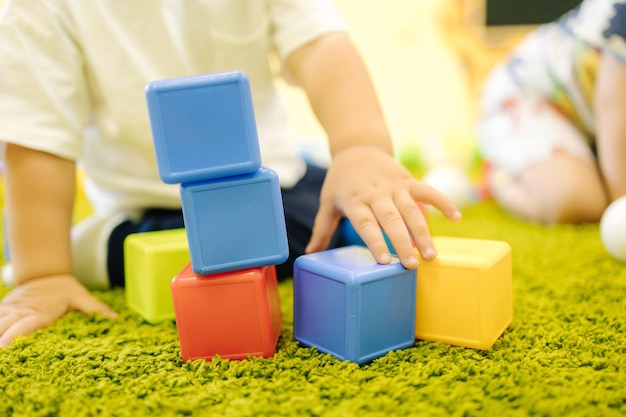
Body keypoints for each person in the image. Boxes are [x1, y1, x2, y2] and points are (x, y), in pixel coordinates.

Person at [0, 1, 461, 347]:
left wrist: (361, 151)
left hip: (276, 179)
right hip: (154, 208)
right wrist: (44, 272)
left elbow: (322, 47)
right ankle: (90, 247)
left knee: (345, 203)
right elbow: (37, 140)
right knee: (279, 234)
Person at [477, 0, 626, 224]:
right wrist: (620, 208)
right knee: (580, 201)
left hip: (589, 123)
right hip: (527, 99)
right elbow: (612, 106)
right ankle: (502, 178)